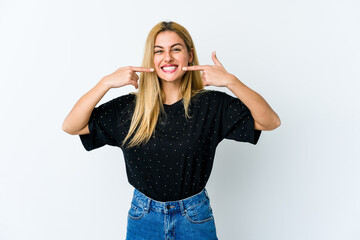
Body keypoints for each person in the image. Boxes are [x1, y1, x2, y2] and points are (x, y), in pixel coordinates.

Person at [62, 21, 280, 240]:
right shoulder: (130, 108)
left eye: (176, 49)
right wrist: (105, 83)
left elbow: (270, 121)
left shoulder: (211, 105)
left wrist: (231, 81)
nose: (167, 57)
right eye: (159, 51)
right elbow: (72, 126)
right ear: (152, 59)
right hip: (143, 218)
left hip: (194, 218)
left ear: (190, 55)